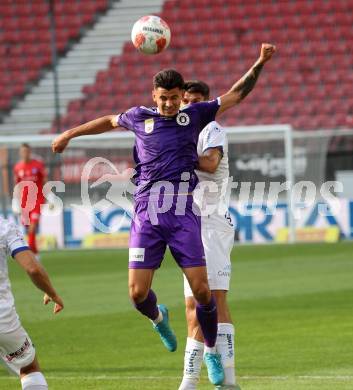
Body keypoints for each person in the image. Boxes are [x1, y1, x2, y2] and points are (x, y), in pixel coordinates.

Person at [52, 43, 275, 386]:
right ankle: (158, 318)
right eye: (163, 97)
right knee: (137, 295)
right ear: (153, 95)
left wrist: (259, 62)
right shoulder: (139, 117)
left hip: (184, 211)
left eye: (174, 97)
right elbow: (108, 121)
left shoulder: (194, 116)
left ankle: (213, 351)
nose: (169, 103)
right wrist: (69, 133)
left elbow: (234, 96)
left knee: (203, 292)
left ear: (180, 96)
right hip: (147, 213)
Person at [179, 81, 238, 390]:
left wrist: (177, 157)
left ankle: (228, 380)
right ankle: (191, 381)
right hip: (188, 225)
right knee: (192, 306)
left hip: (212, 223)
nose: (190, 105)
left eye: (196, 100)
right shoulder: (176, 132)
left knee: (214, 300)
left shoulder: (211, 129)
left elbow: (212, 163)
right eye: (185, 100)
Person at [0, 216, 64, 390]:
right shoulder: (4, 226)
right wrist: (52, 293)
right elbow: (33, 269)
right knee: (28, 367)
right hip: (3, 320)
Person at [13, 144, 48, 257]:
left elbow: (45, 181)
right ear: (20, 153)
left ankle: (34, 255)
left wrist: (48, 196)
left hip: (37, 200)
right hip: (24, 203)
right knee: (28, 229)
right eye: (23, 151)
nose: (25, 153)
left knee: (32, 228)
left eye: (27, 151)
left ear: (30, 152)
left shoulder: (38, 165)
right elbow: (17, 185)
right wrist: (16, 201)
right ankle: (35, 252)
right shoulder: (17, 167)